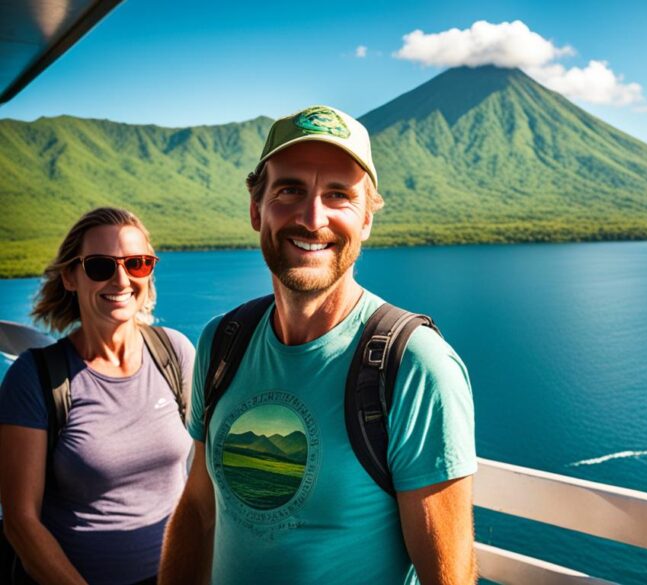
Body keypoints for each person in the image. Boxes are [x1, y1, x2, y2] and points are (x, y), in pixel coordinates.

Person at [159, 105, 477, 585]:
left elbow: (446, 575)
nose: (312, 219)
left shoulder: (414, 366)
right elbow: (200, 508)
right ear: (255, 207)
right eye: (290, 190)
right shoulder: (223, 342)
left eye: (339, 196)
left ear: (367, 219)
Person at [0, 207, 194, 585]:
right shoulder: (36, 378)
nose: (121, 279)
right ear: (71, 276)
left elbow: (201, 483)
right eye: (100, 266)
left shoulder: (175, 354)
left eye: (137, 263)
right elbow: (21, 523)